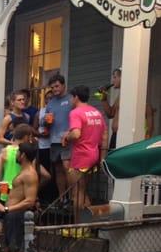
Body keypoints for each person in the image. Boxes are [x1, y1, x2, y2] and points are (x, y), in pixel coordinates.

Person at [0, 142, 39, 252]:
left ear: (24, 155)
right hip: (9, 215)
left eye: (18, 152)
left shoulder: (30, 174)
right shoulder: (22, 172)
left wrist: (7, 209)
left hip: (17, 216)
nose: (16, 155)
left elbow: (29, 201)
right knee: (7, 250)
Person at [63, 85, 108, 222]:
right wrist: (102, 158)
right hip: (94, 155)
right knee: (83, 192)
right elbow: (105, 136)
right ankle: (87, 224)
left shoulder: (76, 112)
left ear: (76, 97)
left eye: (71, 97)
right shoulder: (96, 112)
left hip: (81, 156)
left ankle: (78, 226)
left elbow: (76, 134)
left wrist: (66, 137)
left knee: (76, 193)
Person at [100, 67, 154, 148]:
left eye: (115, 77)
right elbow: (110, 114)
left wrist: (146, 139)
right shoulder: (120, 97)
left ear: (123, 77)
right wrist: (103, 98)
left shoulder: (135, 95)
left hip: (127, 137)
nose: (113, 81)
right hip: (115, 136)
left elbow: (148, 114)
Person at [46, 74, 73, 197]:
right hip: (54, 140)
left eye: (57, 86)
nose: (55, 89)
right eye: (52, 88)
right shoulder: (50, 103)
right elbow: (45, 121)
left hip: (68, 140)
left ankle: (72, 197)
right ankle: (62, 198)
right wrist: (45, 121)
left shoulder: (71, 99)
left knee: (68, 169)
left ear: (63, 85)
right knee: (58, 170)